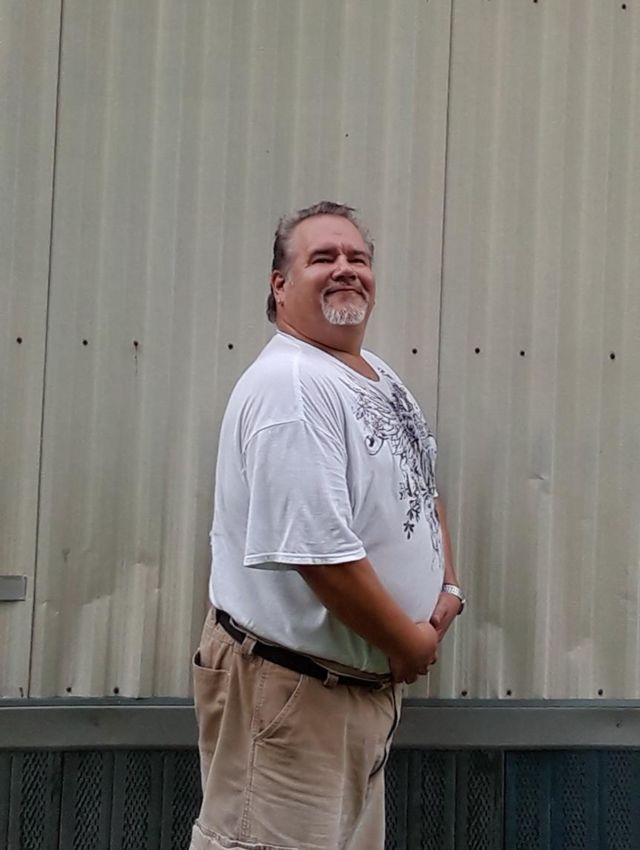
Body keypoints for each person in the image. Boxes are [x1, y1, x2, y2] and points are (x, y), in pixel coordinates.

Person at [190, 202, 465, 850]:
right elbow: (320, 556)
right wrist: (408, 643)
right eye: (323, 258)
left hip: (354, 696)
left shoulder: (373, 373)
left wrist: (447, 589)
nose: (346, 269)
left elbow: (421, 487)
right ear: (280, 285)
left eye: (357, 258)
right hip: (293, 697)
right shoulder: (291, 386)